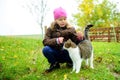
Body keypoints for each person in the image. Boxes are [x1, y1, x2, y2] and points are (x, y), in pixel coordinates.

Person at [42, 7, 84, 73]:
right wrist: (56, 40)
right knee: (46, 49)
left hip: (67, 53)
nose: (63, 21)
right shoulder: (50, 29)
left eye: (65, 19)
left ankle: (71, 62)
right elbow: (45, 41)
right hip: (56, 52)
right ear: (55, 20)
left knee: (74, 51)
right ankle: (55, 64)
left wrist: (80, 38)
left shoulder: (71, 28)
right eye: (60, 19)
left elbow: (76, 42)